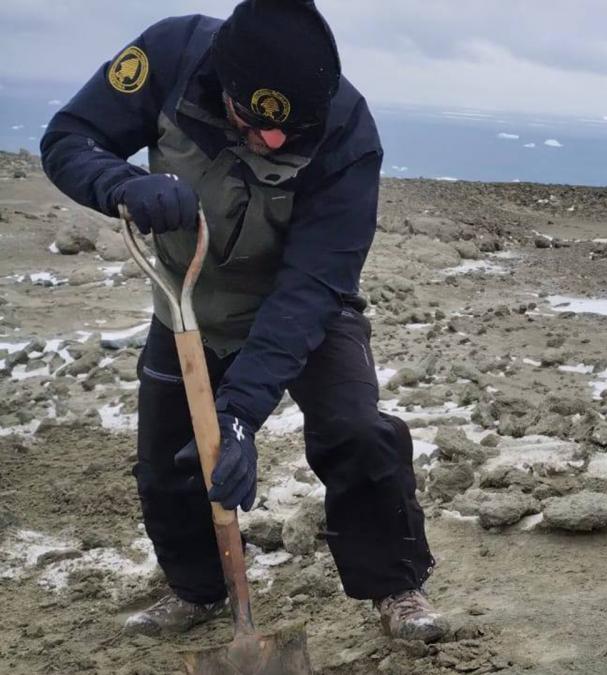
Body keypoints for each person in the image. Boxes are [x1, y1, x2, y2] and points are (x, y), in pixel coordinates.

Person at [40, 0, 445, 642]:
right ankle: (198, 590)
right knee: (170, 464)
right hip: (188, 299)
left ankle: (397, 588)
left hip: (302, 302)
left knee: (358, 431)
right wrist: (119, 183)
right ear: (224, 86)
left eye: (291, 130)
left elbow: (313, 285)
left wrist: (240, 412)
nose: (275, 142)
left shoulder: (346, 128)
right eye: (255, 124)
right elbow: (68, 141)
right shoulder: (170, 59)